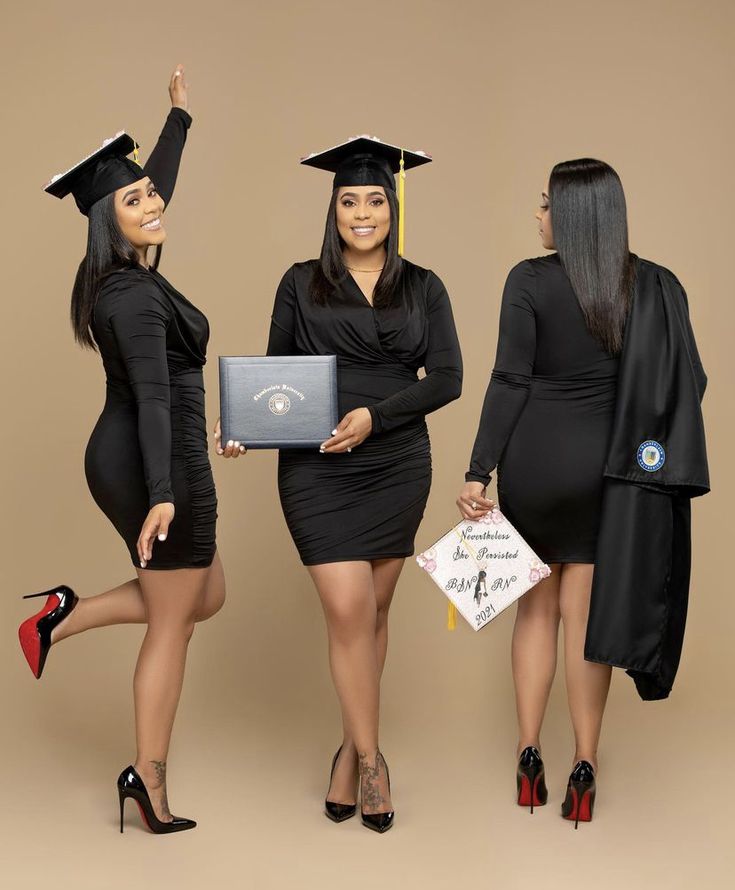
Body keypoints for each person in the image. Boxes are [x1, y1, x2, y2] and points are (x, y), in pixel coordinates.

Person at [217, 137, 462, 832]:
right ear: (333, 209)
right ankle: (375, 762)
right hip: (317, 467)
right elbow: (273, 375)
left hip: (396, 464)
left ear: (393, 208)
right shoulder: (300, 282)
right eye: (348, 200)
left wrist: (374, 418)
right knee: (350, 612)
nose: (362, 213)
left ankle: (345, 756)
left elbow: (447, 378)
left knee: (375, 616)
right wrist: (242, 425)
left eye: (375, 200)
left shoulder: (424, 286)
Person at [457, 158, 706, 827]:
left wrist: (477, 471)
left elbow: (507, 381)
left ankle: (528, 754)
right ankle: (584, 765)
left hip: (534, 467)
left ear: (568, 215)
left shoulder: (527, 281)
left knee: (534, 614)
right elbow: (686, 385)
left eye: (544, 205)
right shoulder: (651, 286)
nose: (536, 216)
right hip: (608, 475)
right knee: (585, 623)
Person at [18, 66, 224, 834]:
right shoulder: (133, 296)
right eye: (133, 200)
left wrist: (177, 120)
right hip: (149, 455)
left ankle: (62, 616)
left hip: (152, 449)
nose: (153, 202)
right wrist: (165, 491)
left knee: (204, 594)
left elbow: (150, 191)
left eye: (151, 193)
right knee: (176, 620)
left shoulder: (120, 271)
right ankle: (148, 781)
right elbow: (154, 398)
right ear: (110, 220)